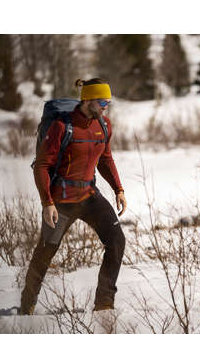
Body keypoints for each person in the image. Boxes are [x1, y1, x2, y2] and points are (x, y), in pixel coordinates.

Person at [20, 78, 127, 315]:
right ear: (87, 100)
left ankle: (104, 305)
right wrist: (47, 203)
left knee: (117, 241)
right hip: (61, 201)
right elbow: (41, 166)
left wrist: (118, 189)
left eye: (108, 102)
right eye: (102, 102)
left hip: (89, 196)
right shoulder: (61, 126)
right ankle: (27, 304)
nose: (105, 107)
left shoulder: (104, 124)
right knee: (45, 252)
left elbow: (106, 159)